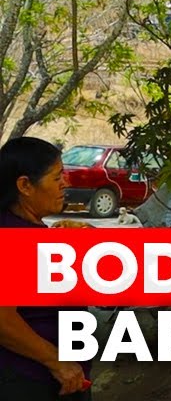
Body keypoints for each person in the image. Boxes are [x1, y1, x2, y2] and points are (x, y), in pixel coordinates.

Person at [0, 137, 91, 400]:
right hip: (32, 381)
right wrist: (57, 362)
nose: (66, 183)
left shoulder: (30, 231)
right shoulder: (15, 236)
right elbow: (3, 319)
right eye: (57, 177)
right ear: (25, 185)